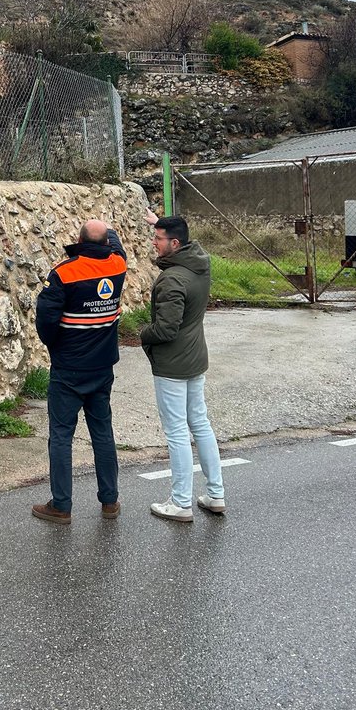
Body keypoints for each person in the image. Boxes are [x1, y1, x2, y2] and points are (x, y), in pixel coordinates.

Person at [31, 218, 127, 523]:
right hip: (102, 367)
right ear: (106, 244)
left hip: (69, 369)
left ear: (79, 240)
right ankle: (110, 501)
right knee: (102, 432)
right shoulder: (118, 266)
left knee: (61, 435)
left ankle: (61, 505)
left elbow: (45, 322)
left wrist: (57, 348)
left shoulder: (63, 272)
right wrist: (108, 230)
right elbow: (118, 246)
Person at [140, 211, 225, 521]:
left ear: (174, 243)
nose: (153, 242)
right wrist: (157, 220)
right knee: (200, 424)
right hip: (195, 358)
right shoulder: (200, 264)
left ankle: (180, 502)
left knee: (176, 432)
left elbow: (165, 329)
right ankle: (215, 494)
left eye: (158, 239)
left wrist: (141, 333)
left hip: (172, 364)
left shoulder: (172, 279)